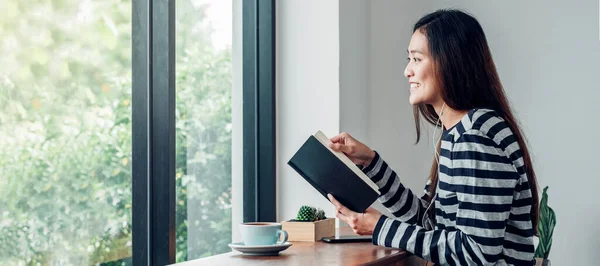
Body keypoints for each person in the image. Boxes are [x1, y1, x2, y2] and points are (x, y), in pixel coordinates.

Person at [327, 9, 539, 266]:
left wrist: (381, 228)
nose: (407, 71)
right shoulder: (456, 135)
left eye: (417, 59)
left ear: (449, 62)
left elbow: (477, 254)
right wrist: (370, 163)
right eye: (409, 59)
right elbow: (427, 221)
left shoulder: (477, 136)